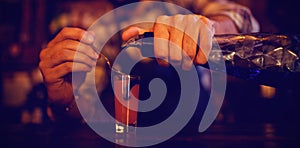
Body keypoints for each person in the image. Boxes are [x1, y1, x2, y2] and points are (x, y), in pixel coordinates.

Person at [39, 0, 259, 121]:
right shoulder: (84, 18)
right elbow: (83, 111)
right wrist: (64, 100)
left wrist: (210, 27)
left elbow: (243, 19)